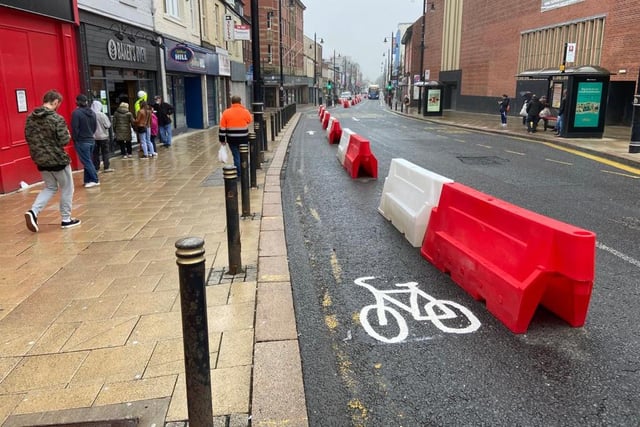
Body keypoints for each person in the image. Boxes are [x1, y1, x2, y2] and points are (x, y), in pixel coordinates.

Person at [23, 89, 81, 231]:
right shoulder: (56, 119)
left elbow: (28, 137)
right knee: (67, 188)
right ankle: (66, 219)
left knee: (50, 187)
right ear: (55, 102)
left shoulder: (30, 118)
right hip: (57, 160)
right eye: (58, 104)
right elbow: (63, 140)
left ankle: (33, 212)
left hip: (40, 159)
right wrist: (67, 133)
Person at [219, 95, 252, 174]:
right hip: (243, 138)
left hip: (232, 139)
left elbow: (222, 128)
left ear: (232, 102)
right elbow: (249, 120)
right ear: (240, 102)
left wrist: (222, 140)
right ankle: (245, 170)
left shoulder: (226, 112)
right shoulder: (245, 111)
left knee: (236, 155)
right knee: (243, 154)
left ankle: (239, 172)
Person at [71, 94, 100, 187]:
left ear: (78, 101)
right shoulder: (92, 113)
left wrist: (75, 139)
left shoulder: (76, 113)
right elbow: (95, 127)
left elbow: (75, 128)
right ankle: (87, 180)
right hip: (91, 139)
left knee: (86, 161)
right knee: (88, 160)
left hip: (82, 141)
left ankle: (95, 180)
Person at [91, 100, 114, 173]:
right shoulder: (102, 115)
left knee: (95, 153)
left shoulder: (91, 115)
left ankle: (96, 168)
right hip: (103, 136)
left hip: (94, 137)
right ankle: (106, 167)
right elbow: (108, 125)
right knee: (105, 152)